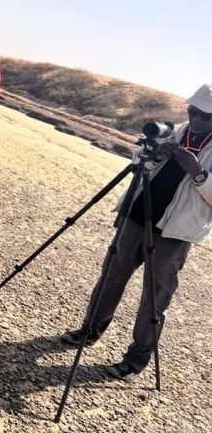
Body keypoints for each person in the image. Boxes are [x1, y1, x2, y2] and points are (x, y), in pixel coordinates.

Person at [60, 83, 212, 380]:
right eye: (191, 111)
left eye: (204, 116)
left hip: (174, 233)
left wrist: (198, 172)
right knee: (111, 275)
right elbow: (137, 161)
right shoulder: (173, 131)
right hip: (137, 215)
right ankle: (89, 330)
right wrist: (155, 155)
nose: (195, 119)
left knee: (155, 296)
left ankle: (136, 359)